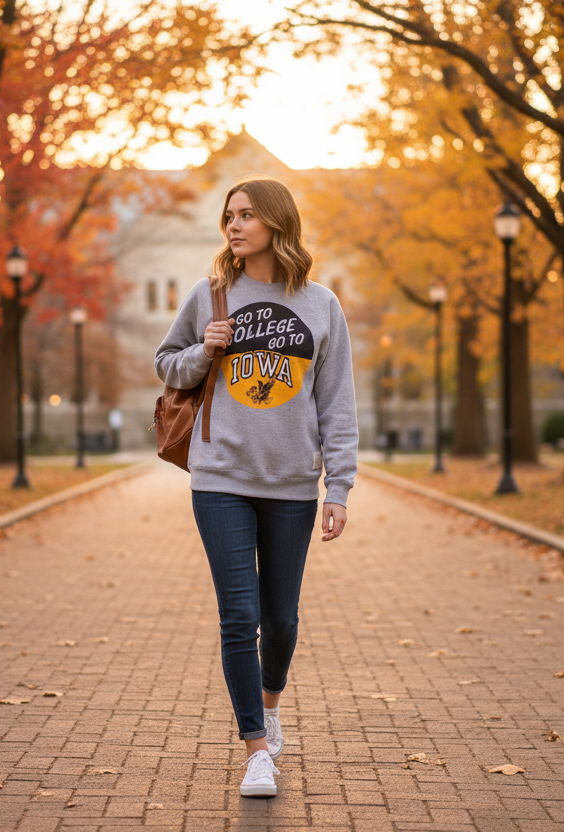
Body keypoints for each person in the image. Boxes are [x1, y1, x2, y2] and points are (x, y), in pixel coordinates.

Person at [155, 177, 358, 798]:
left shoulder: (321, 305)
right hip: (220, 479)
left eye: (246, 215)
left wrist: (339, 487)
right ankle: (256, 750)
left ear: (276, 221)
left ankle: (270, 705)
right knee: (240, 616)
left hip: (293, 485)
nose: (234, 226)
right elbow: (167, 363)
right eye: (229, 217)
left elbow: (337, 403)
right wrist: (203, 352)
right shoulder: (209, 295)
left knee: (281, 621)